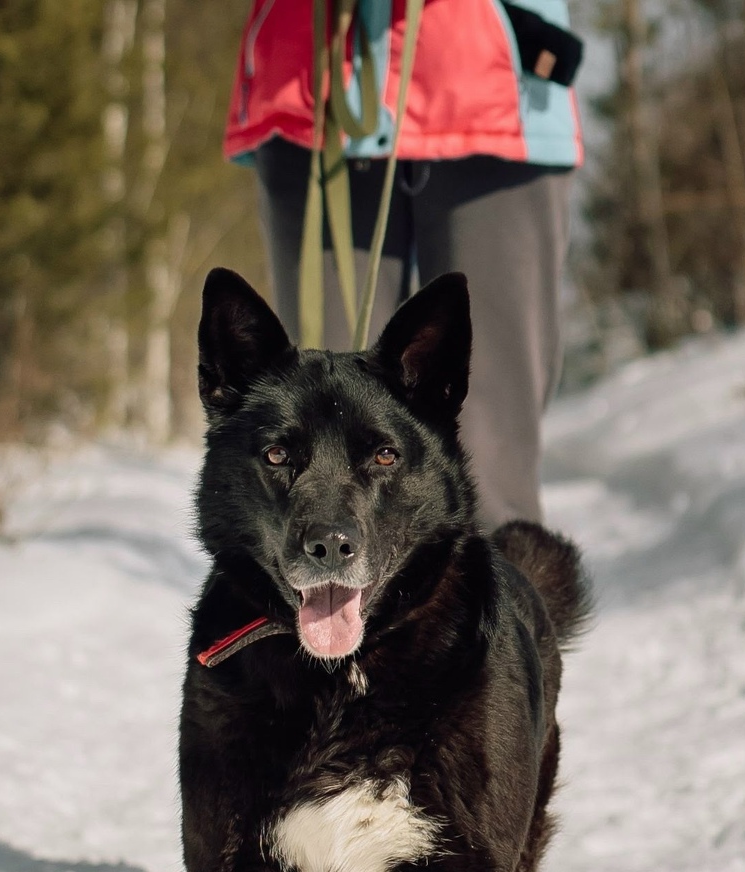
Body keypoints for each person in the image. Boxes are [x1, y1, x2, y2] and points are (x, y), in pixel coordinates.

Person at [224, 0, 583, 528]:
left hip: (496, 83)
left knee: (487, 460)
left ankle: (496, 577)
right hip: (312, 85)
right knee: (313, 433)